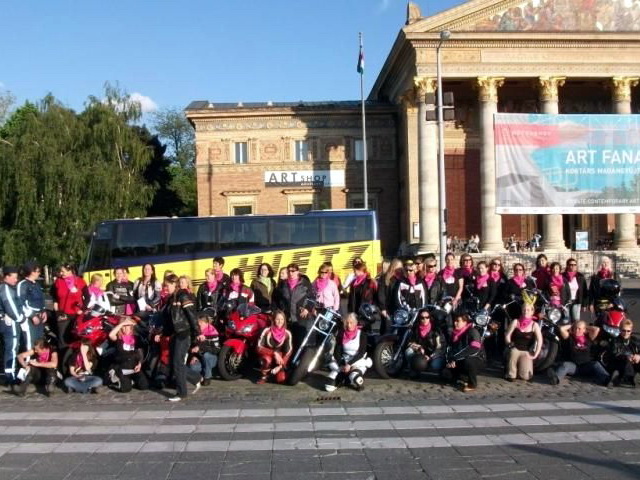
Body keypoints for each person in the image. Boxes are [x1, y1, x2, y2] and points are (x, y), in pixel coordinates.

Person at [159, 274, 202, 402]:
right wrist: (163, 333)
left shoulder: (183, 296)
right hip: (175, 334)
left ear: (174, 284)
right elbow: (169, 319)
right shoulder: (171, 298)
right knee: (174, 363)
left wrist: (197, 333)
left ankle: (182, 393)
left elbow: (192, 315)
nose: (165, 288)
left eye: (167, 285)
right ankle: (195, 378)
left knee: (178, 362)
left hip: (184, 333)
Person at [548, 320, 610, 386]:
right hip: (574, 367)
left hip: (586, 366)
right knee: (565, 365)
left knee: (596, 364)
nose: (577, 330)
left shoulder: (588, 338)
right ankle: (555, 379)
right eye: (576, 328)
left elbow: (597, 329)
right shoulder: (570, 338)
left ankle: (607, 380)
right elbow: (562, 329)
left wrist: (586, 326)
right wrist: (573, 325)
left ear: (584, 330)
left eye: (579, 329)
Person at [325, 313, 372, 392]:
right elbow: (337, 351)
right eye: (347, 323)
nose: (349, 325)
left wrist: (349, 364)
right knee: (329, 386)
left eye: (351, 323)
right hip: (344, 360)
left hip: (357, 360)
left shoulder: (362, 334)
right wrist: (341, 364)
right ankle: (342, 378)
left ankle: (352, 377)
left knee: (356, 378)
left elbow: (361, 353)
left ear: (356, 323)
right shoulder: (341, 333)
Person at [273, 263, 315, 348]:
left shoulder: (305, 283)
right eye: (289, 271)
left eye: (293, 271)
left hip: (300, 318)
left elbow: (312, 298)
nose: (291, 273)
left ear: (298, 272)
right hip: (286, 318)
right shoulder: (282, 285)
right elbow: (275, 299)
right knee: (287, 343)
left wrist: (307, 309)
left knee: (300, 343)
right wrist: (277, 312)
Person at [442, 313, 484, 392]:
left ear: (465, 322)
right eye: (455, 321)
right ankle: (463, 377)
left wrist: (455, 358)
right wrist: (449, 360)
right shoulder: (454, 334)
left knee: (469, 361)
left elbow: (474, 348)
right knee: (445, 373)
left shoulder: (472, 331)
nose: (455, 323)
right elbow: (449, 349)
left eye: (458, 321)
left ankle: (472, 384)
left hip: (476, 359)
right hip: (460, 359)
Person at [0, 266, 27, 383]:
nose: (16, 280)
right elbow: (10, 306)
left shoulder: (6, 287)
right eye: (14, 277)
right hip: (9, 323)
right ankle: (10, 376)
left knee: (9, 348)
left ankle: (9, 373)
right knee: (11, 348)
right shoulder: (6, 288)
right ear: (6, 277)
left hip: (6, 321)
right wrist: (21, 319)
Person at [107, 317, 148, 393]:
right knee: (126, 389)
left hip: (134, 367)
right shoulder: (118, 338)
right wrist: (122, 324)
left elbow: (140, 353)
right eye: (124, 327)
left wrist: (139, 364)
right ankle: (115, 377)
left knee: (144, 386)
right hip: (122, 368)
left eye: (128, 326)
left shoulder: (136, 338)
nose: (126, 329)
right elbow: (111, 335)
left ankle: (131, 380)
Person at [504, 302, 542, 381]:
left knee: (526, 377)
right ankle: (510, 374)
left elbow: (540, 340)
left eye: (528, 310)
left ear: (532, 312)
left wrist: (535, 354)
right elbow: (507, 335)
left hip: (526, 351)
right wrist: (509, 344)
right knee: (513, 352)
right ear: (521, 310)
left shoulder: (534, 325)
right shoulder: (515, 321)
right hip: (515, 348)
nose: (526, 312)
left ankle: (519, 369)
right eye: (524, 310)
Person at [405, 308, 446, 378]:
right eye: (422, 318)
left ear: (430, 318)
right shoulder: (415, 329)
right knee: (408, 351)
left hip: (434, 354)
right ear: (419, 318)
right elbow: (409, 342)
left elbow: (440, 347)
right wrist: (419, 347)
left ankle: (442, 371)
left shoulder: (436, 330)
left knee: (435, 365)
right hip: (421, 354)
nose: (425, 319)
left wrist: (430, 357)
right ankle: (414, 369)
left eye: (427, 317)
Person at [256, 310, 293, 384]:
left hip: (279, 360)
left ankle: (275, 372)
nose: (280, 321)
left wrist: (280, 366)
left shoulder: (287, 333)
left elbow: (288, 352)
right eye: (277, 319)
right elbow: (259, 347)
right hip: (267, 355)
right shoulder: (266, 331)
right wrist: (274, 353)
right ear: (273, 320)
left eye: (282, 319)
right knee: (267, 360)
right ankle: (264, 376)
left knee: (281, 380)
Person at [17, 262, 47, 344]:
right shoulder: (23, 284)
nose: (39, 273)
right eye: (37, 271)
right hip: (29, 319)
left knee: (39, 343)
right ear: (31, 272)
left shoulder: (37, 284)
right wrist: (32, 316)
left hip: (40, 317)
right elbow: (20, 303)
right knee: (30, 343)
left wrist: (43, 311)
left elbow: (41, 299)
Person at [188, 313, 220, 386]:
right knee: (192, 367)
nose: (199, 326)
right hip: (199, 358)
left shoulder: (213, 333)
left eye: (201, 324)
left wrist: (201, 348)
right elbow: (191, 347)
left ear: (206, 323)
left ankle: (207, 377)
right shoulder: (195, 333)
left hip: (211, 358)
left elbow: (216, 349)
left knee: (206, 355)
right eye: (198, 324)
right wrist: (193, 356)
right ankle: (203, 373)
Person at [608, 319, 640, 387]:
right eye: (623, 330)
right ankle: (629, 378)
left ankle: (632, 377)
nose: (626, 333)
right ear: (620, 330)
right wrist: (627, 356)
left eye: (628, 331)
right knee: (625, 361)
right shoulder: (614, 341)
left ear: (631, 331)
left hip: (633, 363)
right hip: (620, 363)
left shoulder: (635, 340)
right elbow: (614, 354)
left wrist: (638, 356)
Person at [563, 258, 588, 323]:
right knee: (566, 321)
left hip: (576, 301)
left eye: (574, 265)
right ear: (567, 266)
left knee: (576, 321)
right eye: (571, 265)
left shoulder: (580, 276)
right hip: (566, 302)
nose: (573, 266)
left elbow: (584, 291)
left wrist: (584, 304)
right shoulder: (563, 276)